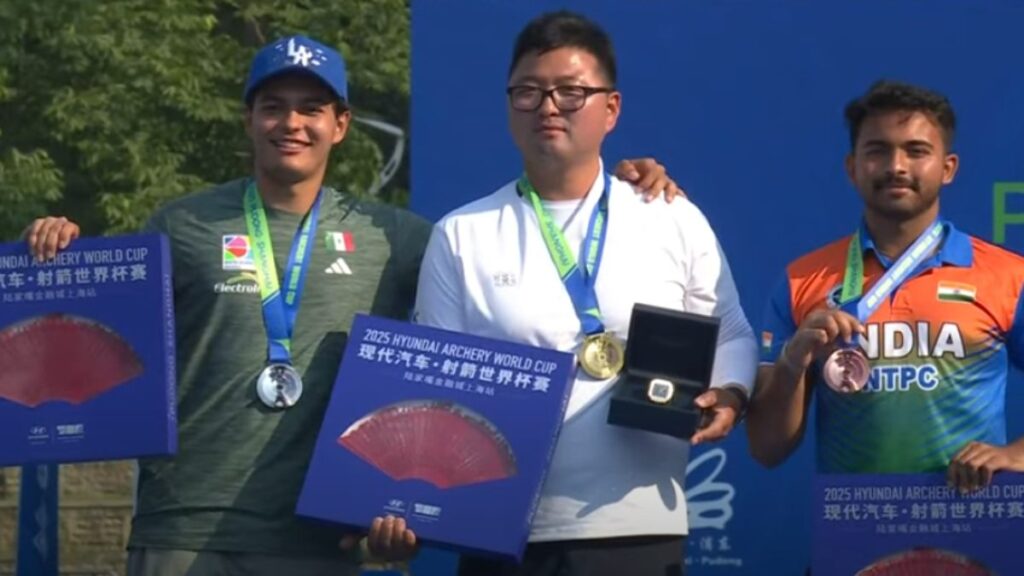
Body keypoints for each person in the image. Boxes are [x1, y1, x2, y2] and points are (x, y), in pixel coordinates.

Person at [24, 34, 686, 576]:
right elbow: (108, 326)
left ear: (339, 125)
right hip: (184, 524)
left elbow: (522, 257)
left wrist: (621, 188)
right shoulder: (183, 222)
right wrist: (56, 251)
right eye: (274, 106)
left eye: (312, 108)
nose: (291, 123)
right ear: (249, 119)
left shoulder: (396, 238)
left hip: (316, 535)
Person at [407, 11, 757, 576]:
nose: (548, 106)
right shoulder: (462, 233)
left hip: (639, 521)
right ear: (508, 105)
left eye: (571, 92)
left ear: (610, 109)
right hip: (503, 529)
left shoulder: (670, 215)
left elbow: (732, 330)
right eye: (529, 91)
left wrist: (732, 394)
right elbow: (436, 388)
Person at [747, 80, 1024, 493]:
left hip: (972, 530)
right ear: (852, 167)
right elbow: (767, 449)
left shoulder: (1007, 276)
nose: (896, 166)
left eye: (916, 151)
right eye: (877, 151)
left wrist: (1016, 453)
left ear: (948, 168)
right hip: (854, 532)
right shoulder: (803, 280)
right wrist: (793, 362)